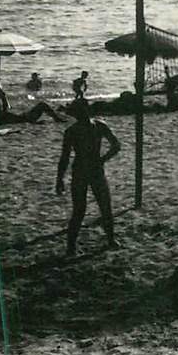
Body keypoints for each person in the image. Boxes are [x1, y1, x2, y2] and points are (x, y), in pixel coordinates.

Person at [56, 98, 121, 256]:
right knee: (84, 209)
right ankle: (73, 247)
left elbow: (116, 145)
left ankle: (109, 240)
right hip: (87, 171)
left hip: (88, 170)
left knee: (101, 207)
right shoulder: (88, 128)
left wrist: (103, 159)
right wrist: (59, 179)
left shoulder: (84, 129)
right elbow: (64, 157)